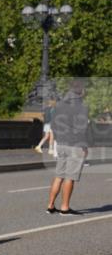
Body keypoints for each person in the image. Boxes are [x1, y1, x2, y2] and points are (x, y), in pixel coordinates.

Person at [46, 79, 91, 215]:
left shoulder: (59, 105)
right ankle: (65, 208)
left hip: (61, 144)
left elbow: (53, 125)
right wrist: (84, 146)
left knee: (59, 175)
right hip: (75, 145)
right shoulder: (82, 106)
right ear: (80, 90)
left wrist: (58, 139)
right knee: (69, 177)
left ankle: (50, 206)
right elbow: (83, 128)